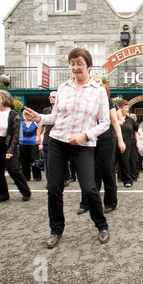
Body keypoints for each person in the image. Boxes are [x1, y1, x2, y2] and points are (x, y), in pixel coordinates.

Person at [23, 48, 110, 248]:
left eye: (80, 63)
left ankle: (102, 225)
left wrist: (84, 135)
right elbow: (55, 117)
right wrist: (40, 118)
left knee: (89, 188)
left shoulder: (98, 92)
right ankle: (56, 229)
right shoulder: (63, 88)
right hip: (57, 142)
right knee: (54, 188)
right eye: (72, 63)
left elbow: (104, 122)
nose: (75, 67)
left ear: (88, 66)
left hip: (83, 145)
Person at [77, 75, 126, 215]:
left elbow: (115, 122)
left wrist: (120, 140)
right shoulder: (85, 100)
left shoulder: (107, 101)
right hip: (89, 137)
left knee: (106, 170)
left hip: (105, 138)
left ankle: (110, 202)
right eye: (94, 81)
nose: (97, 84)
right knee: (89, 172)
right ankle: (86, 202)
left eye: (99, 82)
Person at [0, 90, 31, 203]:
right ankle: (2, 195)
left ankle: (26, 192)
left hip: (8, 144)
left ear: (5, 99)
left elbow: (15, 134)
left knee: (13, 169)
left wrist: (10, 150)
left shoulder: (13, 114)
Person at [37, 91, 71, 187]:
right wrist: (38, 135)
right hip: (48, 139)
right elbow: (42, 125)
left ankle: (66, 177)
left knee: (63, 160)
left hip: (61, 138)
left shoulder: (64, 110)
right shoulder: (46, 110)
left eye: (54, 97)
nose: (52, 98)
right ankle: (50, 181)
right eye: (50, 97)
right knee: (48, 162)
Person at [117, 99, 139, 187]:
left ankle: (127, 180)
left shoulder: (130, 120)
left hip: (126, 144)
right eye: (125, 107)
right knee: (112, 163)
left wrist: (139, 140)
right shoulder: (114, 118)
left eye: (127, 107)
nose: (127, 109)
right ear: (120, 108)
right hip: (114, 142)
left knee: (125, 162)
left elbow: (137, 129)